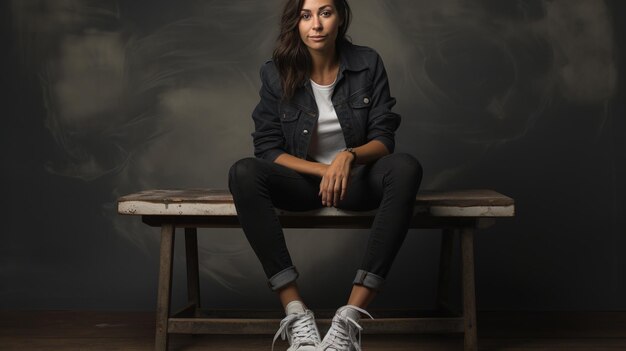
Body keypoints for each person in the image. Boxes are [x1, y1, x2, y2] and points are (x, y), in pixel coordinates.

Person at [228, 0, 422, 350]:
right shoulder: (275, 72)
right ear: (296, 23)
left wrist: (346, 158)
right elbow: (268, 149)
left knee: (406, 168)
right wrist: (324, 169)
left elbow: (384, 138)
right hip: (302, 185)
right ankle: (296, 311)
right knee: (243, 172)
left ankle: (349, 318)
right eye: (305, 16)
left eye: (325, 12)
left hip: (355, 183)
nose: (315, 24)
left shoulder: (367, 63)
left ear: (340, 18)